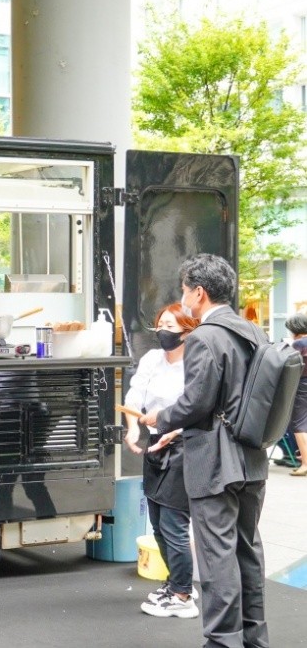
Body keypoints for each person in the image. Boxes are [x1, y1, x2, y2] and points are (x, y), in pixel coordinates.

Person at [141, 253, 270, 648]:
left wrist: (160, 419)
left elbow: (196, 402)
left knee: (217, 558)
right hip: (252, 459)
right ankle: (253, 639)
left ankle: (222, 642)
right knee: (247, 552)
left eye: (184, 291)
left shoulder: (203, 337)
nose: (183, 299)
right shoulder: (254, 333)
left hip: (214, 461)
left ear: (199, 292)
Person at [121, 303, 200, 619]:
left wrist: (175, 430)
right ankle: (177, 584)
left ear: (187, 331)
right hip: (155, 443)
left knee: (173, 524)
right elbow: (134, 396)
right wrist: (131, 430)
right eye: (160, 325)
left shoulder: (195, 363)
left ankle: (182, 596)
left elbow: (199, 408)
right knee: (157, 523)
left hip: (184, 446)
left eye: (171, 325)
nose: (164, 331)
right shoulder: (152, 359)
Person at [284, 313, 307, 476]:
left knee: (299, 424)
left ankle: (305, 463)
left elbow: (287, 364)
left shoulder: (298, 344)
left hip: (302, 386)